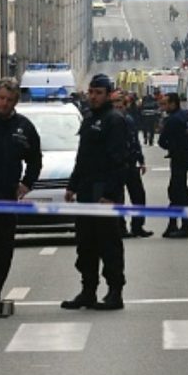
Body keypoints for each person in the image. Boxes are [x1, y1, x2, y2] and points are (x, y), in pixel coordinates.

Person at [62, 74, 129, 311]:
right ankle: (88, 290)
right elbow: (83, 157)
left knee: (108, 244)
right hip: (86, 190)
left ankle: (114, 292)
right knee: (86, 244)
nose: (93, 96)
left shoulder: (114, 120)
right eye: (91, 92)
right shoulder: (89, 119)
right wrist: (72, 185)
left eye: (98, 92)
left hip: (104, 191)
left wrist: (110, 194)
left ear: (109, 94)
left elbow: (119, 160)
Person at [0, 79, 42, 301]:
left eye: (10, 100)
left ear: (15, 102)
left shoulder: (24, 127)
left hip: (6, 195)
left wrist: (26, 184)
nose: (4, 103)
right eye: (1, 98)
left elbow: (35, 160)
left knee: (2, 248)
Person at [158, 93, 188, 238]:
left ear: (173, 104)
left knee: (177, 191)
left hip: (178, 157)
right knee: (178, 189)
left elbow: (161, 142)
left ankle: (183, 225)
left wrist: (172, 145)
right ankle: (173, 224)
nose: (162, 107)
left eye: (165, 104)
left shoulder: (172, 120)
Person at [112, 89, 153, 238]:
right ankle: (120, 227)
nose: (118, 108)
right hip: (116, 165)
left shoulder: (129, 120)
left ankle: (137, 226)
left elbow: (135, 142)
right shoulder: (109, 121)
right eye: (115, 105)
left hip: (130, 163)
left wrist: (141, 160)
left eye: (120, 105)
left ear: (126, 105)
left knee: (138, 196)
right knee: (118, 198)